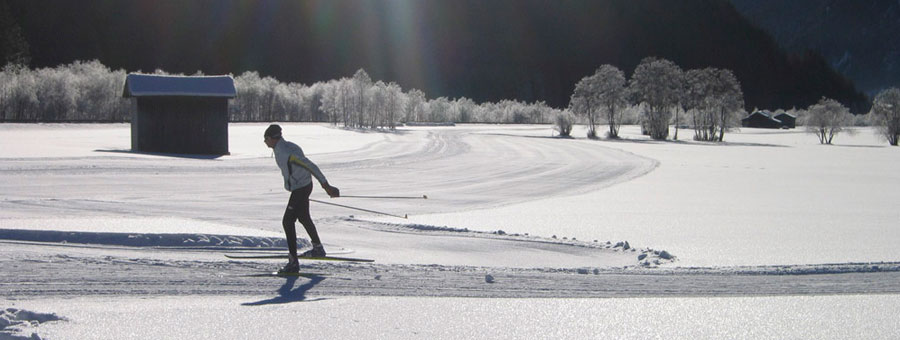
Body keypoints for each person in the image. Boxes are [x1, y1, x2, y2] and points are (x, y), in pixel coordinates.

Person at [264, 124, 340, 273]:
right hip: (303, 186)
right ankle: (317, 248)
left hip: (301, 188)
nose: (265, 142)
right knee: (304, 217)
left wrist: (326, 185)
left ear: (272, 138)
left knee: (287, 221)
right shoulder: (285, 147)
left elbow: (310, 165)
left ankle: (293, 262)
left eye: (266, 139)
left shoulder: (286, 151)